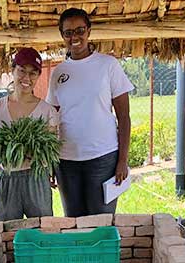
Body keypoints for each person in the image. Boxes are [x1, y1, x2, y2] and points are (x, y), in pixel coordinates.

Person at [46, 8, 134, 218]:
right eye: (68, 33)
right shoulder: (59, 73)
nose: (74, 37)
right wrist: (49, 161)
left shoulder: (108, 65)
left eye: (79, 30)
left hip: (103, 157)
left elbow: (124, 117)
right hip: (66, 161)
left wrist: (122, 160)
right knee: (74, 222)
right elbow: (52, 119)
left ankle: (102, 252)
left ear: (89, 31)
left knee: (101, 222)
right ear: (62, 36)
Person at [0, 48, 60, 221]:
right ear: (12, 70)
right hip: (7, 177)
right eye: (21, 71)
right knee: (8, 232)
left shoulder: (47, 110)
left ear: (38, 76)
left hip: (36, 177)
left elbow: (50, 149)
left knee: (42, 230)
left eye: (33, 73)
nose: (26, 78)